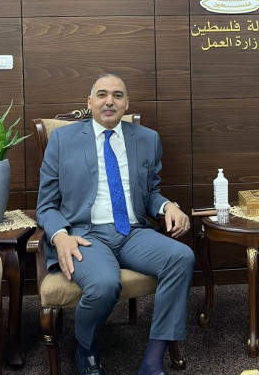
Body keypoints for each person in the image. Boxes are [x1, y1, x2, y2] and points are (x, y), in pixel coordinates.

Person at [37, 74, 195, 375]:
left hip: (132, 232)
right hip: (84, 234)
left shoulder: (147, 139)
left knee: (181, 257)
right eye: (102, 94)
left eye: (117, 95)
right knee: (104, 284)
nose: (109, 101)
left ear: (126, 104)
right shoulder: (62, 140)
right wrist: (59, 236)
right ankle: (85, 348)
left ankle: (152, 362)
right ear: (90, 102)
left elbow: (150, 193)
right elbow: (46, 204)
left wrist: (168, 206)